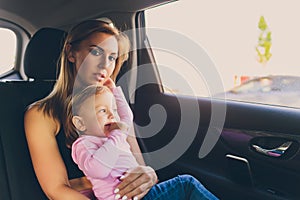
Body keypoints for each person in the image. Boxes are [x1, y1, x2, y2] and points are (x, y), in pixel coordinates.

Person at [24, 19, 157, 200]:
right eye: (96, 52)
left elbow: (137, 166)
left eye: (111, 57)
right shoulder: (41, 114)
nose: (105, 65)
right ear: (71, 53)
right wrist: (88, 182)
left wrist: (149, 175)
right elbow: (56, 190)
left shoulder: (116, 109)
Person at [68, 84, 219, 200]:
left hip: (140, 194)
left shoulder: (111, 136)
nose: (112, 115)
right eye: (102, 111)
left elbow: (127, 117)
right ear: (81, 124)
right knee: (186, 184)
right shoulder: (84, 144)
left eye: (113, 109)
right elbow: (97, 170)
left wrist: (115, 90)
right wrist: (117, 135)